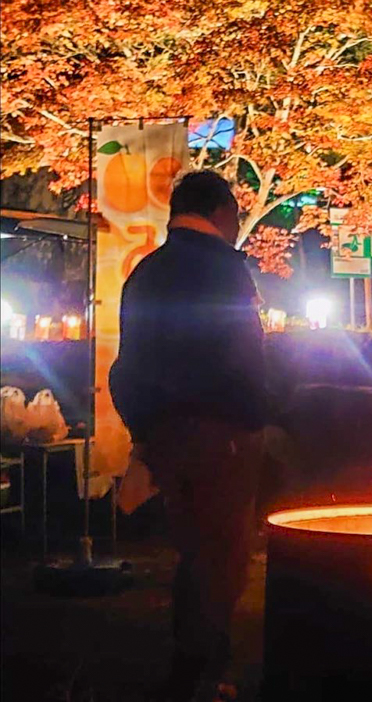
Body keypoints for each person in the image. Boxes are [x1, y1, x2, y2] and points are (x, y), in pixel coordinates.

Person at [111, 171, 268, 702]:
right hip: (220, 432)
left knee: (195, 551)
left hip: (165, 434)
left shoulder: (146, 273)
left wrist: (145, 431)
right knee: (222, 553)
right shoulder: (225, 273)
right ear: (223, 213)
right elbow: (243, 358)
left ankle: (196, 662)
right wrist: (255, 417)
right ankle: (200, 671)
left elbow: (125, 367)